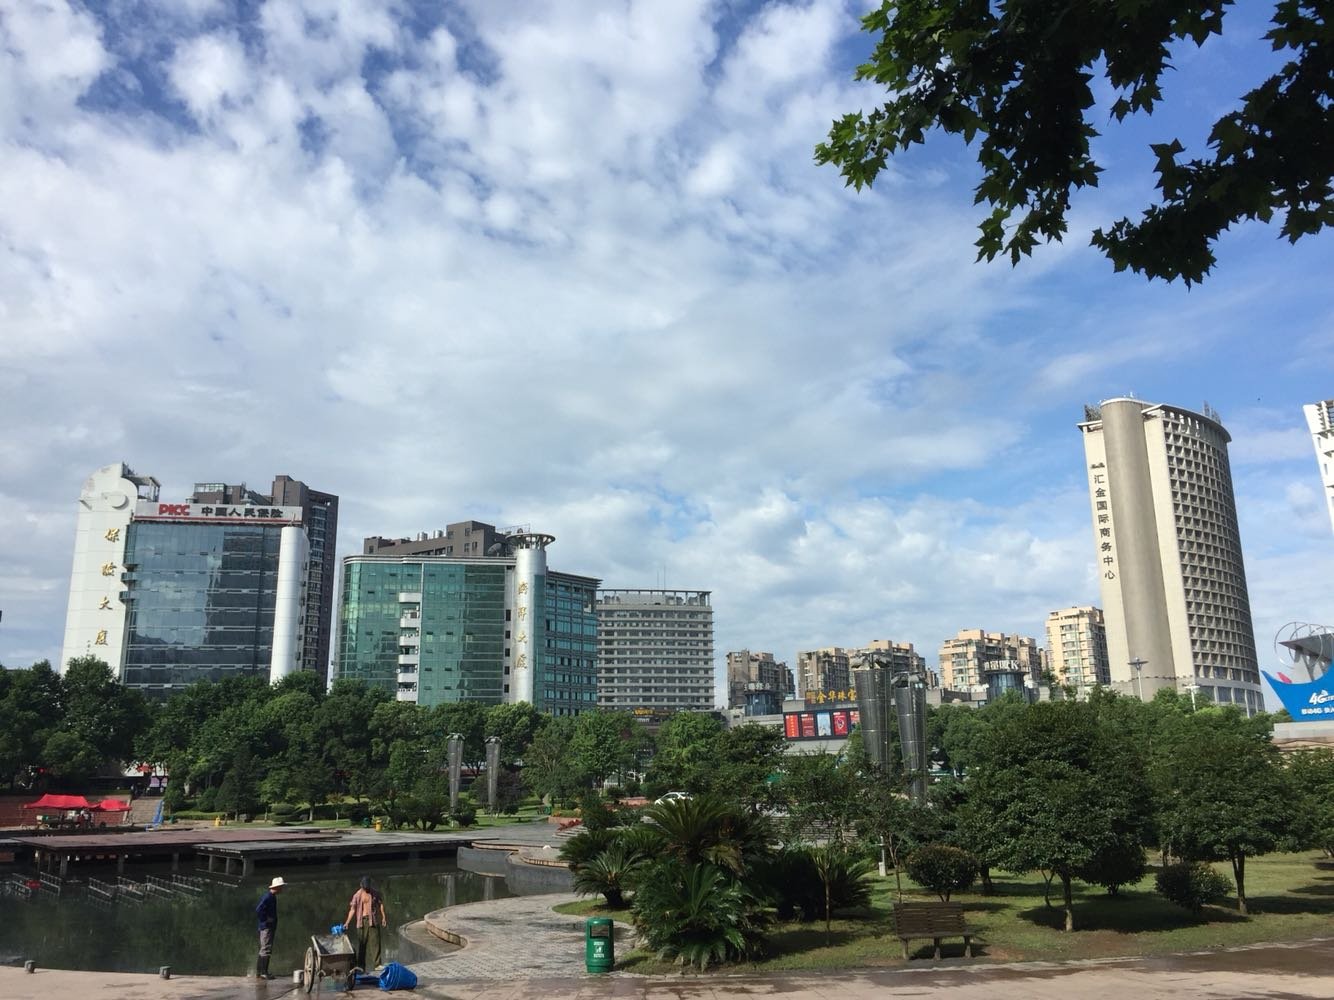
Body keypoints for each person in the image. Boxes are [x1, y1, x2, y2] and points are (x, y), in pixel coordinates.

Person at [344, 876, 387, 971]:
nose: (366, 889)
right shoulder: (357, 895)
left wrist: (383, 917)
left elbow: (380, 904)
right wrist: (347, 922)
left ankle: (377, 964)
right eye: (365, 888)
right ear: (361, 886)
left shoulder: (375, 893)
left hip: (373, 920)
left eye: (368, 888)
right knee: (362, 944)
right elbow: (352, 909)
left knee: (375, 942)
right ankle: (361, 966)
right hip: (362, 921)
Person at [254, 876, 286, 979]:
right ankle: (264, 972)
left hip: (268, 927)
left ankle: (259, 972)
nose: (282, 889)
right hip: (266, 927)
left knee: (263, 949)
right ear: (277, 887)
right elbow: (259, 910)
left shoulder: (272, 897)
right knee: (266, 949)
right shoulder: (268, 897)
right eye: (281, 887)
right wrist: (266, 919)